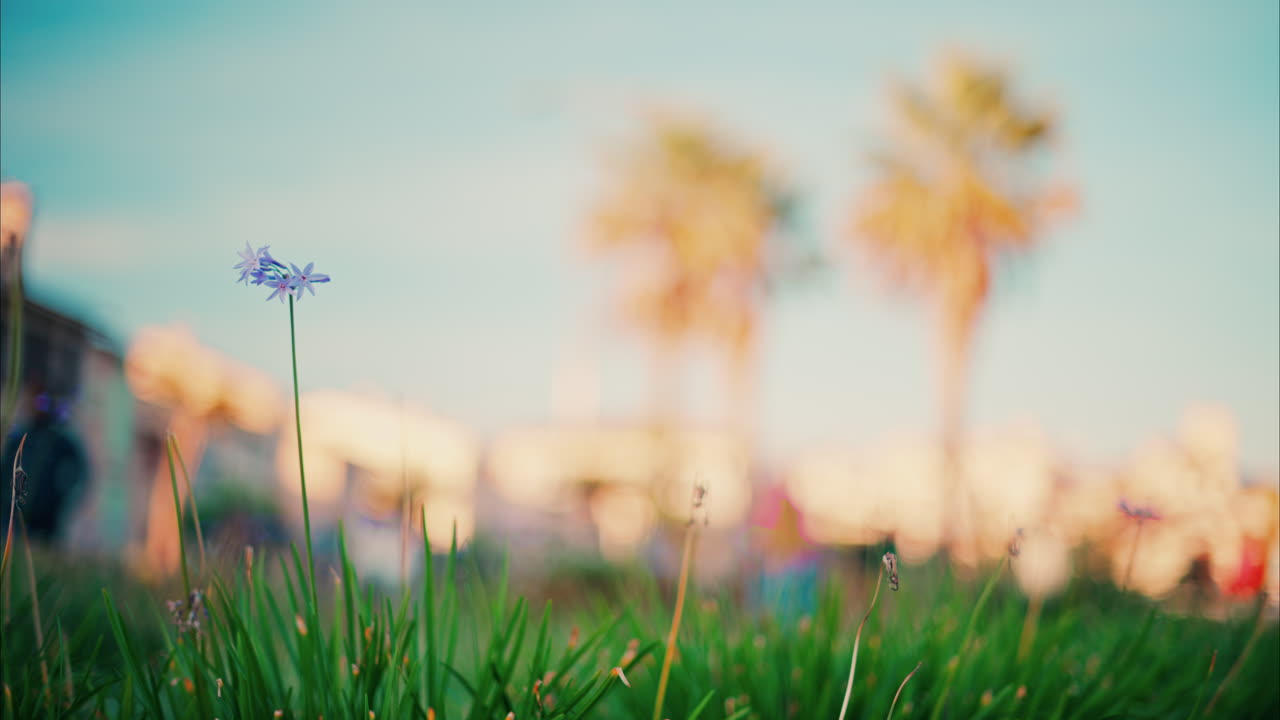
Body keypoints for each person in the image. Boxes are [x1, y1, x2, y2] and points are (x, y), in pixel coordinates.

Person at [1, 386, 89, 543]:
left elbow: (79, 472)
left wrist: (61, 495)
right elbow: (6, 467)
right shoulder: (19, 437)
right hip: (13, 513)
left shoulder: (60, 441)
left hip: (46, 518)